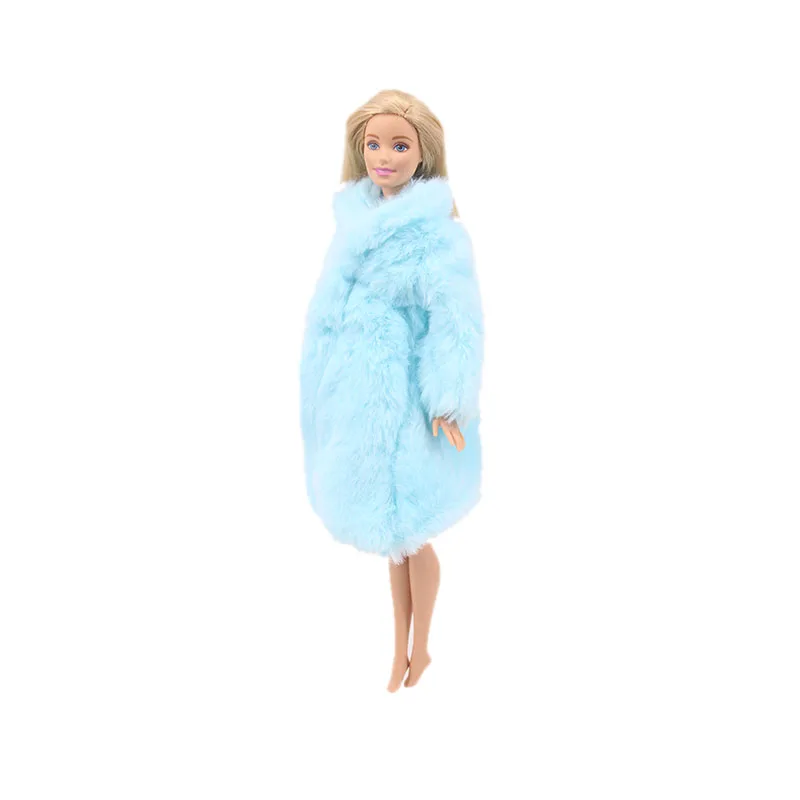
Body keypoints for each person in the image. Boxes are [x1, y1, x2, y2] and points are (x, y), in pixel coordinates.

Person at [299, 89, 485, 691]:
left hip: (408, 397)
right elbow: (331, 307)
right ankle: (400, 648)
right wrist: (324, 380)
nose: (383, 157)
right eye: (373, 144)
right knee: (392, 537)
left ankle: (420, 647)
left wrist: (448, 397)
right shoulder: (353, 221)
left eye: (399, 146)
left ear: (423, 152)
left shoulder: (436, 234)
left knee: (412, 529)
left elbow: (456, 317)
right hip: (359, 394)